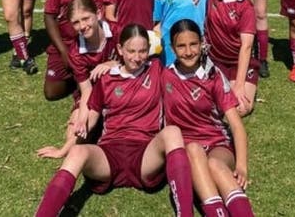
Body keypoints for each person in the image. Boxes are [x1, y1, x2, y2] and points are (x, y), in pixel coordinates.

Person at [34, 24, 194, 217]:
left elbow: (186, 63)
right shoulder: (107, 79)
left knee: (172, 132)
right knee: (78, 152)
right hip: (110, 154)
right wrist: (64, 148)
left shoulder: (157, 70)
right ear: (120, 50)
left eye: (143, 51)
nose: (137, 57)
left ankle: (186, 214)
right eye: (131, 51)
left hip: (145, 155)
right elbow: (91, 119)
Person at [163, 19, 254, 217]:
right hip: (187, 149)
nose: (188, 51)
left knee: (214, 164)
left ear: (202, 43)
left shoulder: (213, 75)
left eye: (193, 44)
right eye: (181, 46)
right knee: (194, 149)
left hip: (217, 144)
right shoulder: (165, 76)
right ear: (172, 48)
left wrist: (241, 166)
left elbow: (236, 126)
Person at [37, 0, 120, 159]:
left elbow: (137, 59)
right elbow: (86, 90)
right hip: (93, 96)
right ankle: (68, 151)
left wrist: (112, 64)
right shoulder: (75, 52)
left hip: (120, 91)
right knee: (77, 126)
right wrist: (82, 118)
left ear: (98, 14)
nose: (82, 26)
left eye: (86, 18)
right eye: (76, 22)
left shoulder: (117, 31)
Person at [43, 0, 111, 101]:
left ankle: (83, 79)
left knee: (101, 86)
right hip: (66, 44)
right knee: (52, 93)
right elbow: (49, 16)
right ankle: (77, 79)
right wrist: (64, 52)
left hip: (93, 44)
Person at [205, 0, 258, 116]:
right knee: (210, 106)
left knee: (241, 108)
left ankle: (237, 85)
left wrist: (240, 85)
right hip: (216, 62)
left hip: (239, 63)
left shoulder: (245, 6)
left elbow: (247, 46)